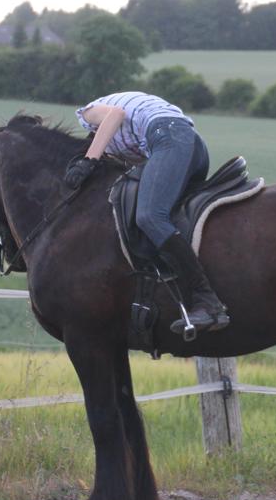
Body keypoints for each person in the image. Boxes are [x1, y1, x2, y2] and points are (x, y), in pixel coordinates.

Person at [64, 91, 230, 333]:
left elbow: (116, 114)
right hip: (190, 144)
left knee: (150, 216)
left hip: (168, 134)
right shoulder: (133, 137)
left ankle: (206, 299)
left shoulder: (88, 112)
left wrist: (89, 160)